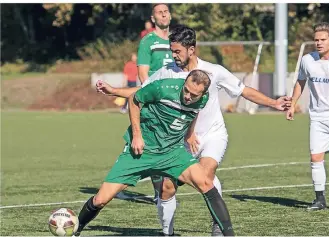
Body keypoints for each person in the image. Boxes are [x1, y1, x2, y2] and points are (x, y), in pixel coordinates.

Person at [96, 24, 292, 236]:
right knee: (166, 188)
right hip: (180, 139)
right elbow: (142, 91)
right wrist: (114, 91)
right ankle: (166, 231)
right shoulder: (167, 72)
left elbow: (244, 91)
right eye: (172, 51)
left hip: (212, 135)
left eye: (177, 51)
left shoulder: (214, 71)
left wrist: (273, 103)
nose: (173, 55)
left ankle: (218, 227)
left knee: (206, 173)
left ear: (191, 49)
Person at [75, 70, 236, 236]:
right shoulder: (163, 88)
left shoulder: (202, 100)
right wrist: (137, 136)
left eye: (194, 94)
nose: (188, 96)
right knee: (101, 199)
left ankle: (229, 235)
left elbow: (193, 114)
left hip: (172, 153)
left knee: (206, 183)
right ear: (185, 81)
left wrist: (189, 134)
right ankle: (76, 228)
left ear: (203, 93)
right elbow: (134, 99)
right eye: (186, 90)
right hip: (140, 151)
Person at [286, 22, 329, 212]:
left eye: (323, 40)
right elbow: (300, 82)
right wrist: (293, 104)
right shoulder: (307, 60)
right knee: (315, 157)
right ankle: (319, 199)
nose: (319, 43)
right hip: (317, 117)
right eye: (316, 40)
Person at [137, 3, 174, 203]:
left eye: (166, 11)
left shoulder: (177, 39)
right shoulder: (147, 41)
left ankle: (169, 187)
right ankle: (159, 192)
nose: (163, 14)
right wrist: (153, 95)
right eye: (159, 12)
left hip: (177, 101)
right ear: (153, 18)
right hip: (156, 102)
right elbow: (143, 73)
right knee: (156, 145)